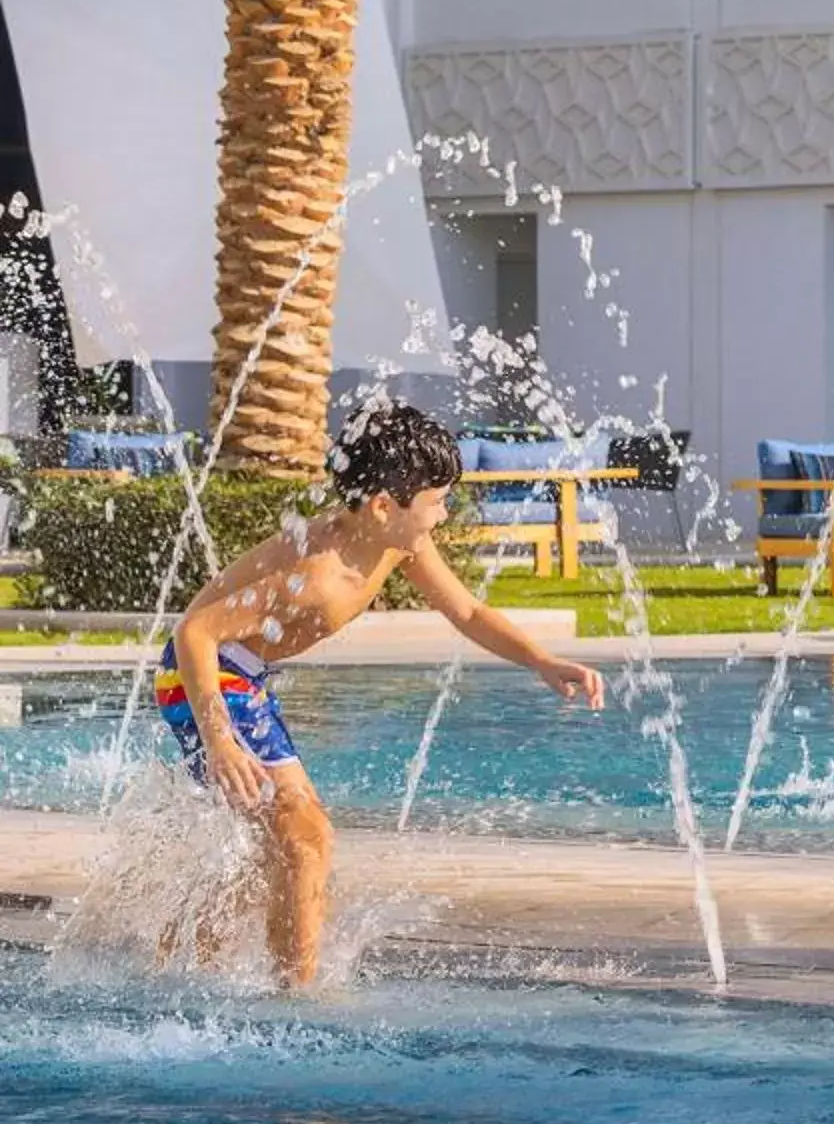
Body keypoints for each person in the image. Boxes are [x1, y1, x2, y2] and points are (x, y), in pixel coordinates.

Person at [160, 401, 607, 988]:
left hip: (242, 677)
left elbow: (466, 610)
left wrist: (541, 660)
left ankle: (185, 960)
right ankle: (296, 995)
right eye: (437, 502)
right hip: (204, 676)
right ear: (382, 505)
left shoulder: (398, 541)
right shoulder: (315, 570)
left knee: (285, 844)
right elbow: (194, 632)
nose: (443, 516)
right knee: (307, 836)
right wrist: (220, 741)